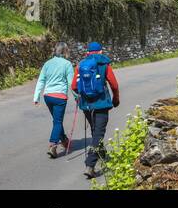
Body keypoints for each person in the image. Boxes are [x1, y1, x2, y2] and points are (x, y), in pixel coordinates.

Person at [72, 42, 120, 179]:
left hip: (86, 105)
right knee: (98, 133)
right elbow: (114, 84)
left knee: (95, 130)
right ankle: (90, 165)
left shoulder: (80, 65)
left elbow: (74, 86)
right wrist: (116, 99)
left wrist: (79, 99)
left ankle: (102, 155)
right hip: (101, 104)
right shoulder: (104, 64)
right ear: (100, 52)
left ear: (87, 52)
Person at [33, 43, 74, 158]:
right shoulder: (67, 64)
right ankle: (53, 144)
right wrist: (77, 97)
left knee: (57, 120)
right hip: (60, 96)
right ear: (65, 51)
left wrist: (36, 96)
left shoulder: (47, 63)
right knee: (57, 121)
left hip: (48, 96)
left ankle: (64, 140)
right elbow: (71, 83)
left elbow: (41, 80)